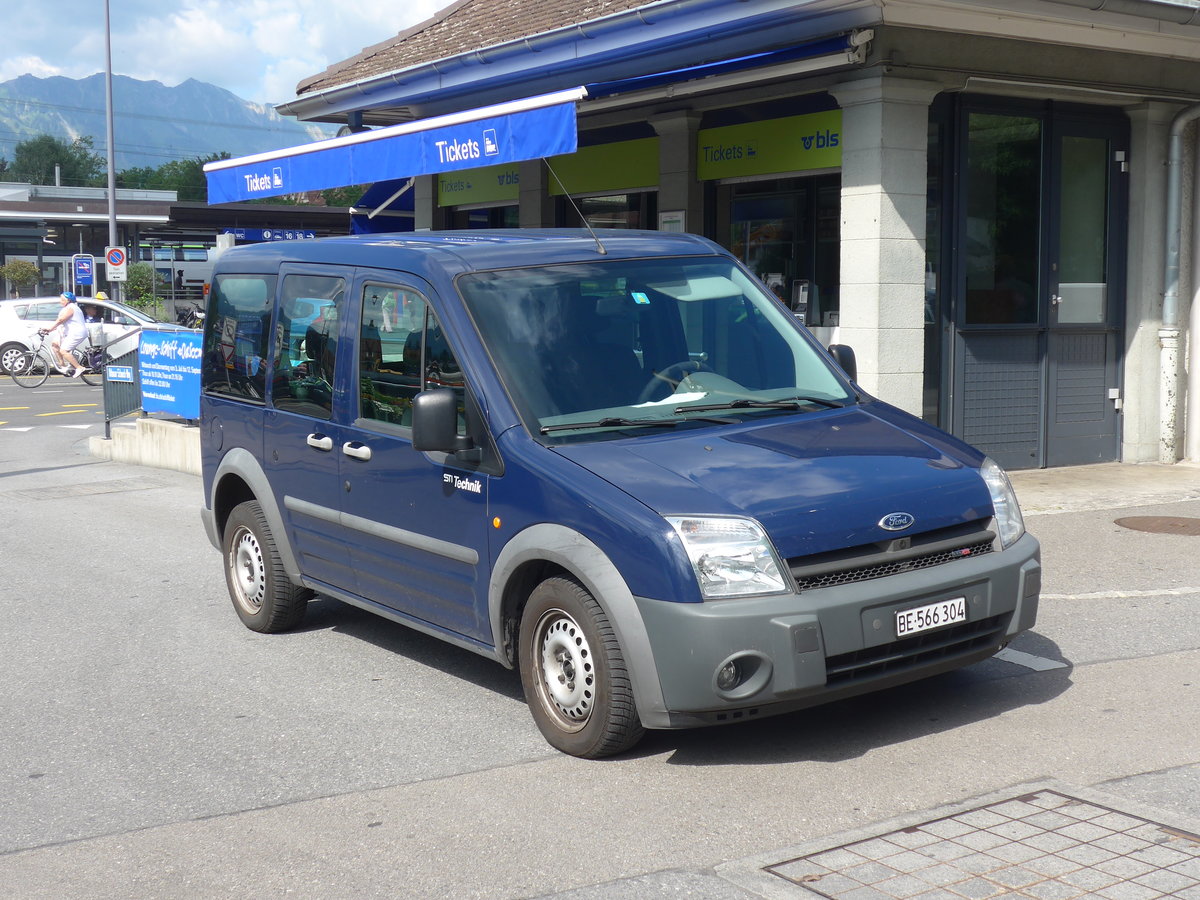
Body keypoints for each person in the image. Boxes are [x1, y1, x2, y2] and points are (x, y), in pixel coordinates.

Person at [47, 291, 89, 378]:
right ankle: (63, 366)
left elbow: (61, 320)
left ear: (68, 300)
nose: (60, 301)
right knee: (55, 345)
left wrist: (50, 329)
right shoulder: (66, 308)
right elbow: (61, 322)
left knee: (63, 351)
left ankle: (79, 367)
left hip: (77, 333)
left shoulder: (71, 307)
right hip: (69, 332)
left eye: (62, 300)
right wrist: (50, 329)